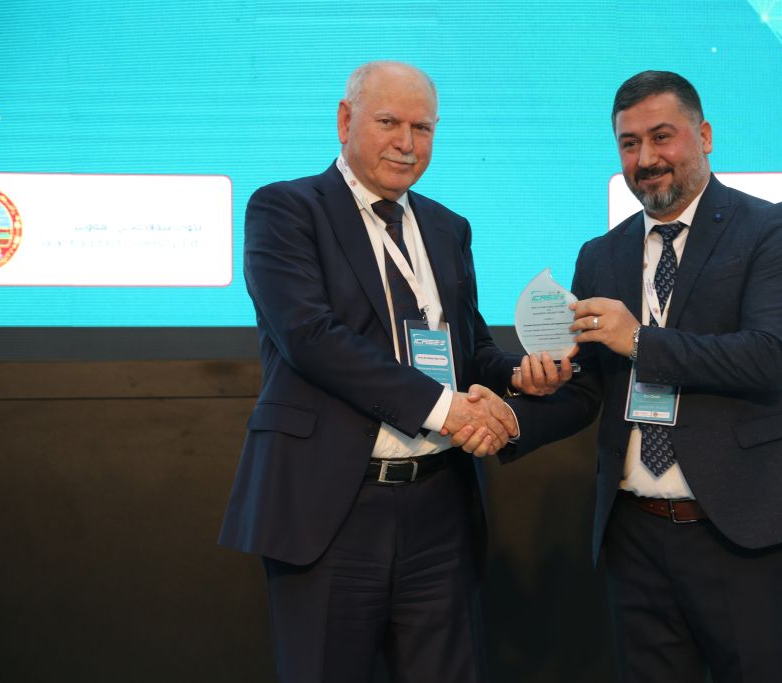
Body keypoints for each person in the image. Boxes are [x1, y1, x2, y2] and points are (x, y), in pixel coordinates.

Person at [460, 70, 782, 682]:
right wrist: (511, 413)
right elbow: (589, 388)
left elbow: (768, 357)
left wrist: (638, 339)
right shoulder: (601, 254)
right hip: (633, 534)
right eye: (629, 143)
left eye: (662, 137)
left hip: (738, 531)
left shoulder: (769, 228)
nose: (646, 159)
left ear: (704, 135)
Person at [219, 61, 567, 683]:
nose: (407, 143)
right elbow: (310, 338)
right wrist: (448, 410)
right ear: (345, 120)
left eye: (423, 128)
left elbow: (468, 349)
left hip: (440, 510)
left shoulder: (447, 227)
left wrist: (518, 376)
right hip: (331, 510)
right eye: (388, 123)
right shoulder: (285, 208)